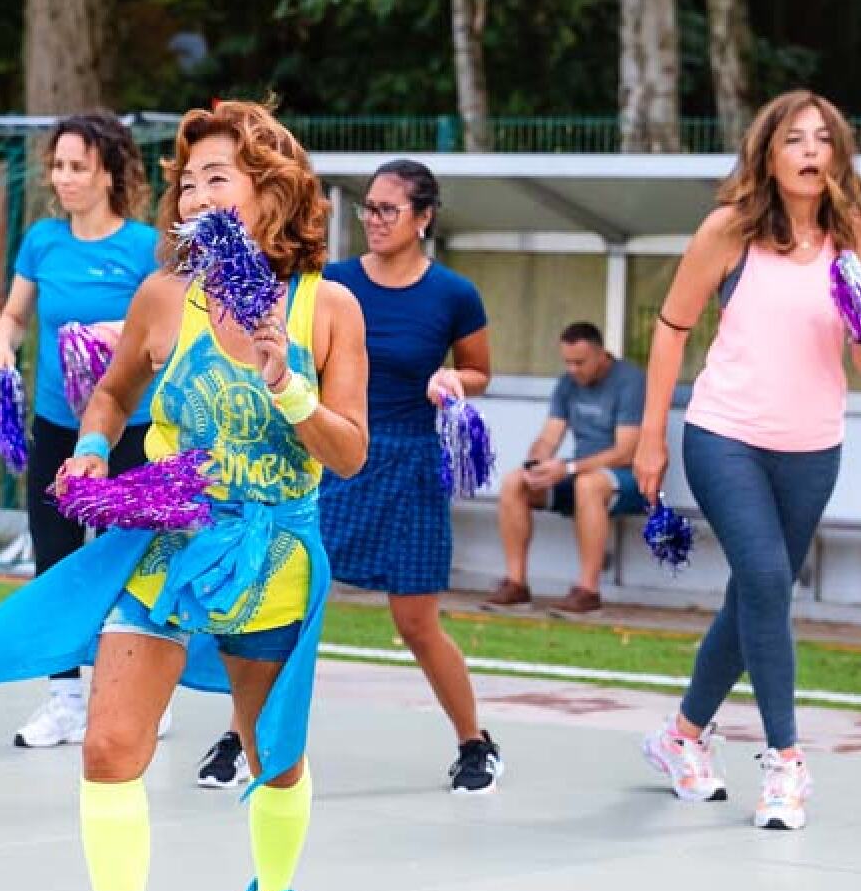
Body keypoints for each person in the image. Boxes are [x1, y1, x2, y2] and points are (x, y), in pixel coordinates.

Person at [0, 100, 368, 891]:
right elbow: (109, 394)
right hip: (170, 542)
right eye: (188, 182)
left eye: (220, 177)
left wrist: (286, 382)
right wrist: (93, 449)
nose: (198, 194)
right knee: (108, 747)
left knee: (274, 757)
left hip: (273, 554)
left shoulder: (328, 307)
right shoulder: (163, 297)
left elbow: (347, 454)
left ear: (272, 192)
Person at [634, 91, 860, 831]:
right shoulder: (729, 230)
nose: (809, 150)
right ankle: (786, 760)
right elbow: (672, 328)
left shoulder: (854, 236)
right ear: (767, 152)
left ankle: (681, 737)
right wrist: (651, 436)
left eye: (822, 139)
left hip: (813, 446)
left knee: (753, 598)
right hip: (725, 435)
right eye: (793, 138)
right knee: (765, 581)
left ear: (838, 156)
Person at [310, 158, 502, 794]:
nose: (373, 219)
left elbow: (479, 370)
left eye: (387, 209)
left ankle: (474, 743)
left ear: (423, 218)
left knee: (417, 622)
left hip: (415, 465)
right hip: (340, 455)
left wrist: (453, 378)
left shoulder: (453, 294)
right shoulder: (333, 282)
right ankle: (242, 737)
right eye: (368, 207)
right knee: (294, 601)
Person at [0, 111, 168, 749]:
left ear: (109, 174)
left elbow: (171, 331)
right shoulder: (42, 241)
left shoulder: (145, 248)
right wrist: (2, 347)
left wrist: (116, 336)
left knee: (128, 562)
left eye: (77, 167)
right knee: (55, 561)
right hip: (58, 428)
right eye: (58, 166)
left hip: (131, 430)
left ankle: (140, 693)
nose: (63, 178)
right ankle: (63, 699)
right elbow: (14, 315)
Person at [482, 321, 646, 617]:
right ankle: (516, 586)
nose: (572, 369)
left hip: (630, 479)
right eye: (567, 362)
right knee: (514, 482)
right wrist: (536, 464)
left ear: (601, 355)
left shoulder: (630, 381)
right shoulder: (567, 384)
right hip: (580, 474)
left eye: (580, 362)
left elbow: (625, 452)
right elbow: (549, 437)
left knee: (588, 484)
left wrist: (568, 468)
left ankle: (588, 592)